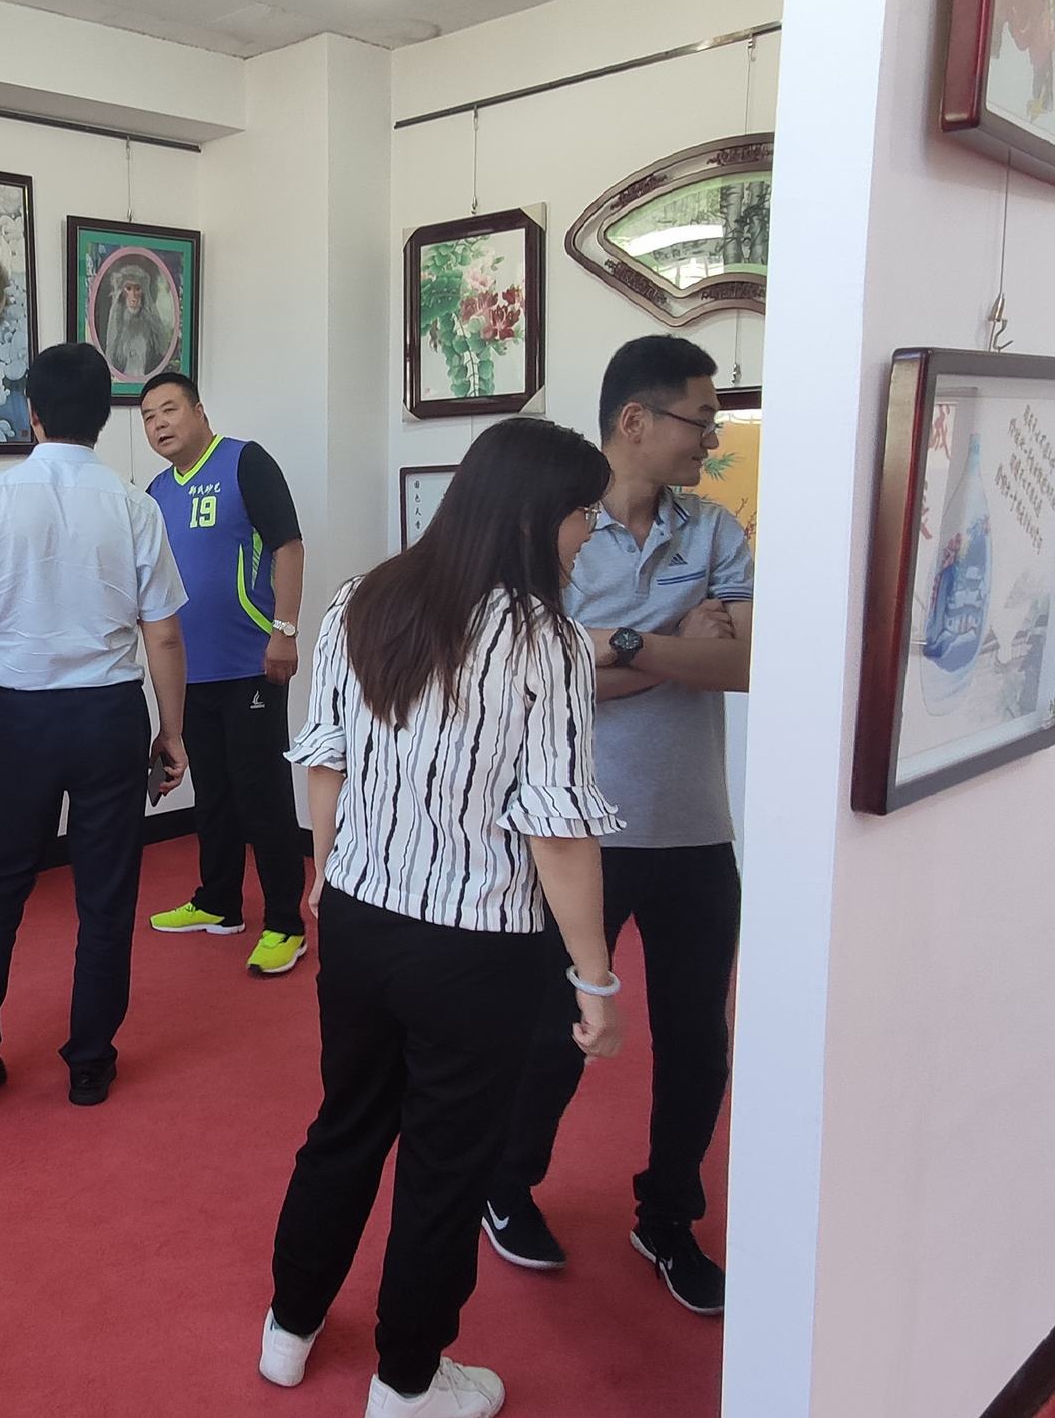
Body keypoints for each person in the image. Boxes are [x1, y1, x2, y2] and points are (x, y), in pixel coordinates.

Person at [260, 417, 625, 1418]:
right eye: (582, 514)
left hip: (360, 919)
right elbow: (557, 831)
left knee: (344, 1124)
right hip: (477, 945)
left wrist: (323, 870)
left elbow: (325, 754)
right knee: (444, 1163)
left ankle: (288, 1329)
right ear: (534, 516)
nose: (588, 534)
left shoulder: (360, 597)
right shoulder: (546, 640)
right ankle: (408, 1379)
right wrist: (594, 980)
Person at [484, 336, 752, 1317]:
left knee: (696, 1044)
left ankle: (668, 1216)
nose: (710, 439)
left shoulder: (713, 529)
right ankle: (506, 1184)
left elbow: (744, 664)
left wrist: (619, 645)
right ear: (634, 420)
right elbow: (541, 675)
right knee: (553, 1033)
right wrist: (677, 641)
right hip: (576, 831)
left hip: (694, 829)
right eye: (699, 420)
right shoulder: (558, 524)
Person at [0, 342, 189, 1107]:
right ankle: (90, 1061)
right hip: (108, 715)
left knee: (4, 875)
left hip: (21, 715)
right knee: (106, 893)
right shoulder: (134, 505)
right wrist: (172, 732)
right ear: (105, 416)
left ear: (30, 413)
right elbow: (164, 635)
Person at [138, 373, 310, 976]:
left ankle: (286, 922)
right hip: (190, 669)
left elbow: (289, 546)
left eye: (169, 410)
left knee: (262, 794)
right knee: (212, 793)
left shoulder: (244, 462)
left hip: (251, 663)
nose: (159, 424)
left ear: (199, 411)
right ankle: (218, 902)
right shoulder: (157, 491)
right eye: (148, 417)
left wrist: (284, 630)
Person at [103, 263, 171, 380]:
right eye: (128, 289)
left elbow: (162, 348)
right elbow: (111, 358)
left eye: (137, 289)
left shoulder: (150, 320)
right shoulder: (116, 320)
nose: (133, 297)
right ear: (121, 293)